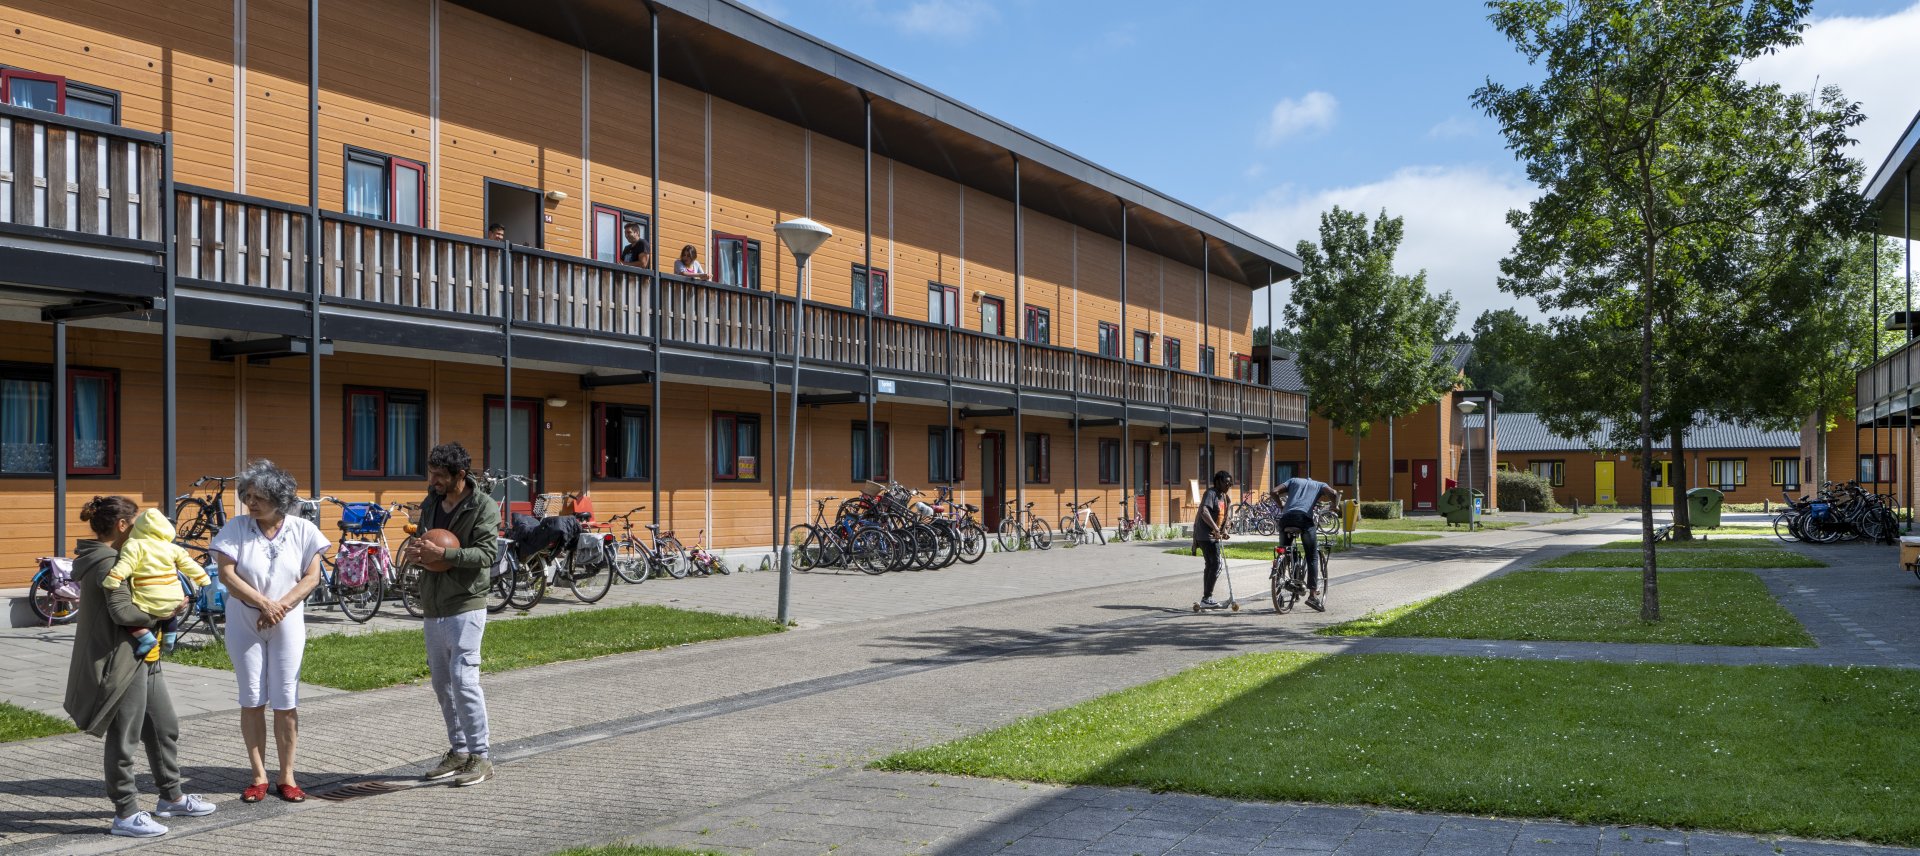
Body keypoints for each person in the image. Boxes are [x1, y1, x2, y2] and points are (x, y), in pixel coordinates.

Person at [64, 495, 216, 838]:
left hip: (144, 656)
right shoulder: (108, 563)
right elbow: (122, 612)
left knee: (164, 726)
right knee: (125, 738)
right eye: (135, 525)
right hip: (121, 662)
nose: (141, 531)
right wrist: (167, 612)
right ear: (122, 526)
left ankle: (171, 797)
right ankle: (126, 813)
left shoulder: (125, 555)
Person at [208, 460, 327, 804]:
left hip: (286, 621)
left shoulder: (304, 530)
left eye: (258, 497)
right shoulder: (236, 527)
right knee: (252, 698)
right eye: (247, 496)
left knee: (286, 700)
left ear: (280, 498)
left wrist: (279, 607)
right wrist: (263, 604)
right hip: (245, 621)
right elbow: (227, 575)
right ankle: (258, 775)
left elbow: (311, 577)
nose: (251, 502)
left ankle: (287, 775)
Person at [400, 441, 501, 788]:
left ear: (460, 474)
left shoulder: (483, 506)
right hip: (433, 603)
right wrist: (418, 553)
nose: (434, 481)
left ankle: (481, 756)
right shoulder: (431, 501)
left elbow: (487, 554)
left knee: (463, 678)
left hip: (466, 603)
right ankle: (459, 751)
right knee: (442, 683)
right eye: (431, 474)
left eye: (440, 475)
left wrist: (444, 554)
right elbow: (425, 540)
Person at [100, 508, 210, 655]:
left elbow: (126, 564)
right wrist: (203, 579)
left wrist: (114, 578)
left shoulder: (135, 545)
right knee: (170, 613)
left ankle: (146, 639)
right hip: (173, 596)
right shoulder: (172, 548)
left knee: (131, 621)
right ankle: (169, 639)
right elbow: (190, 565)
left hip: (148, 595)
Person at [1272, 474, 1340, 611]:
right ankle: (1312, 596)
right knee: (1312, 556)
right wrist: (1335, 505)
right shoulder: (1320, 485)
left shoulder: (1293, 481)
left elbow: (1274, 492)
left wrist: (1281, 505)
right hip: (1303, 519)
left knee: (1285, 551)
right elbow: (1333, 493)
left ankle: (1279, 592)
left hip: (1285, 519)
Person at [1192, 470, 1234, 608]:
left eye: (1230, 483)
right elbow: (1204, 512)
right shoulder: (1211, 494)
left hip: (1213, 535)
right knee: (1216, 564)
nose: (1228, 485)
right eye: (1226, 482)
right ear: (1218, 482)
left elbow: (1226, 518)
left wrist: (1225, 530)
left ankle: (1206, 598)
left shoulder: (1225, 498)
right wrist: (1215, 528)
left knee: (1211, 565)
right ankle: (1207, 598)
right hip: (1206, 535)